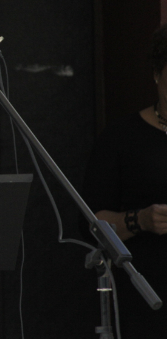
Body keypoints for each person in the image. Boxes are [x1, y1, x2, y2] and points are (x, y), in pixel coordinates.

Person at [82, 23, 167, 337]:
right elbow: (91, 223)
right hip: (148, 299)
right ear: (157, 74)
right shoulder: (122, 138)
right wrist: (141, 220)